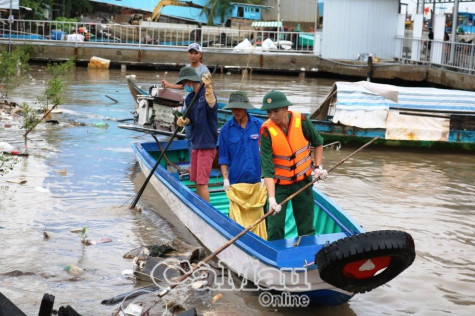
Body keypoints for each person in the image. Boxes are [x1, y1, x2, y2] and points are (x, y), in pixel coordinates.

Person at [259, 90, 327, 241]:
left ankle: (307, 256)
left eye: (276, 111)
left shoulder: (302, 121)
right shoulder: (266, 132)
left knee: (306, 226)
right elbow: (267, 170)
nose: (272, 116)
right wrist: (271, 199)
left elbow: (318, 142)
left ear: (286, 109)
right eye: (269, 112)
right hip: (278, 185)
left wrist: (318, 167)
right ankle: (275, 258)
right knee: (275, 227)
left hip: (302, 182)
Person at [175, 66, 217, 202]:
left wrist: (209, 90)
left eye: (184, 83)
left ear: (189, 81)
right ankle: (199, 204)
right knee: (195, 180)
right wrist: (185, 120)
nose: (184, 86)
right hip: (196, 143)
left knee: (202, 182)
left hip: (207, 143)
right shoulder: (189, 98)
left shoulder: (207, 93)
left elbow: (212, 106)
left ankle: (206, 210)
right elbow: (191, 119)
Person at [161, 43, 210, 156]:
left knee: (199, 137)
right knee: (189, 138)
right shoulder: (186, 69)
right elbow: (184, 86)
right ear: (188, 54)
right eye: (191, 53)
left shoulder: (204, 70)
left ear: (200, 54)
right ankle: (192, 164)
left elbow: (207, 90)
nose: (193, 55)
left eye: (195, 53)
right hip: (187, 107)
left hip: (199, 107)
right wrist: (168, 85)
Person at [218, 91, 263, 189]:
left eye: (239, 109)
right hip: (236, 180)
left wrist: (265, 176)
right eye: (233, 109)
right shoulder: (225, 130)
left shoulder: (259, 125)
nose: (236, 112)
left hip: (257, 178)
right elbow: (223, 157)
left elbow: (266, 154)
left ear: (245, 108)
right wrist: (226, 179)